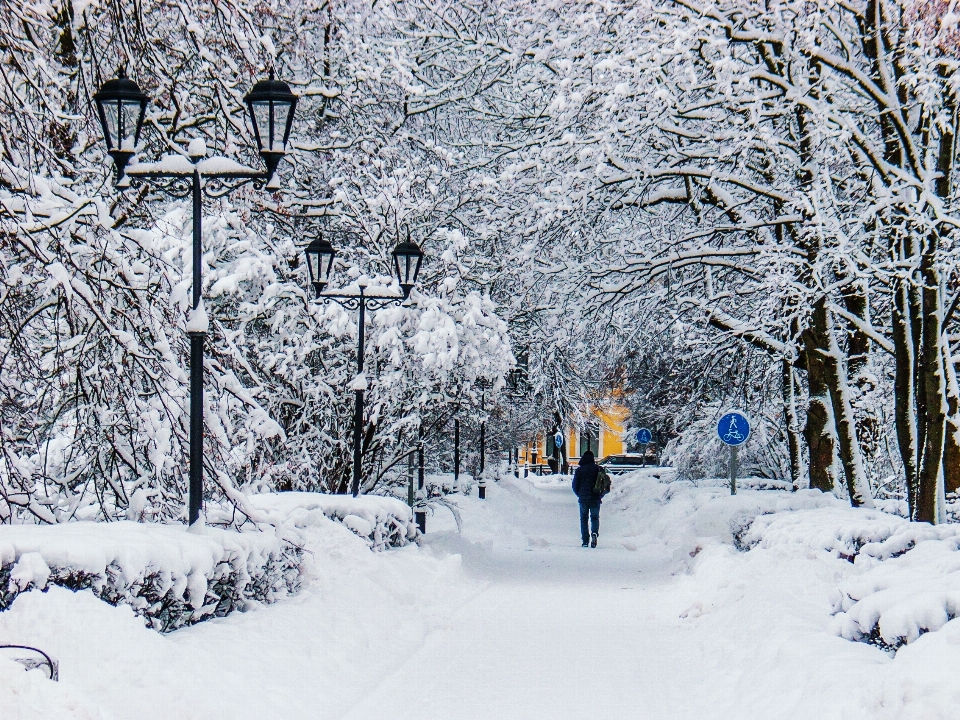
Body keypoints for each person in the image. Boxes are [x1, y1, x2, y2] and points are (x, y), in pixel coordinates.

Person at [572, 450, 603, 548]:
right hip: (595, 498)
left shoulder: (579, 470)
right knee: (594, 517)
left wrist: (580, 494)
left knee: (584, 519)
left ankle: (585, 540)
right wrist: (600, 495)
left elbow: (575, 485)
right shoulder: (598, 469)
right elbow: (604, 484)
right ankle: (594, 533)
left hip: (583, 498)